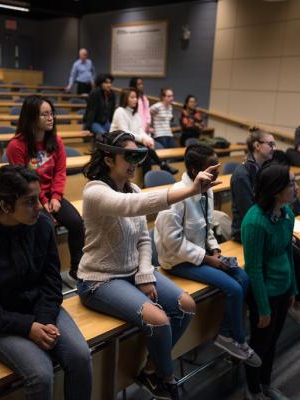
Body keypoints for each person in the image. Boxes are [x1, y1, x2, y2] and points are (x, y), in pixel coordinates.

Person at [77, 130, 220, 400]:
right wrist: (188, 190)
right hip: (100, 279)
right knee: (159, 319)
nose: (134, 163)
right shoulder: (95, 191)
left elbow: (144, 238)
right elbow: (130, 206)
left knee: (186, 306)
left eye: (137, 157)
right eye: (128, 157)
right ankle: (166, 377)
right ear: (108, 159)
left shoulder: (134, 188)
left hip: (132, 272)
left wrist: (145, 274)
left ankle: (151, 368)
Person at [0, 165, 92, 400]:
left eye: (39, 198)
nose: (39, 207)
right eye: (30, 202)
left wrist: (44, 320)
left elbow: (51, 282)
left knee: (80, 357)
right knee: (40, 374)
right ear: (6, 206)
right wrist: (27, 328)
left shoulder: (41, 224)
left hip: (40, 309)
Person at [154, 144, 261, 368]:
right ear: (195, 171)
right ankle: (236, 340)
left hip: (201, 256)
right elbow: (174, 245)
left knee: (243, 278)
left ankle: (225, 333)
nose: (218, 172)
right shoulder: (176, 197)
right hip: (178, 262)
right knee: (233, 287)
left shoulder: (208, 191)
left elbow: (207, 228)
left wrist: (216, 251)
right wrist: (209, 259)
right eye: (212, 168)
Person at [231, 129, 300, 334]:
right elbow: (249, 213)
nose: (274, 148)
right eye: (270, 144)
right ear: (256, 145)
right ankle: (294, 306)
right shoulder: (242, 174)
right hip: (247, 229)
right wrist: (276, 227)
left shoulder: (267, 168)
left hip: (269, 220)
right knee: (296, 255)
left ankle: (297, 304)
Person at [6, 95, 84, 281]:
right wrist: (41, 202)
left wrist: (56, 197)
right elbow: (23, 182)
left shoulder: (56, 141)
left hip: (52, 195)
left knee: (76, 222)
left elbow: (60, 172)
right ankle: (48, 275)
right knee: (45, 227)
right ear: (31, 117)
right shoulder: (16, 146)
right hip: (29, 199)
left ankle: (77, 268)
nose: (50, 118)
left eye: (52, 114)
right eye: (44, 114)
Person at [242, 162, 298, 400]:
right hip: (264, 293)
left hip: (283, 289)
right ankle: (252, 391)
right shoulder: (255, 221)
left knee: (273, 341)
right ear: (276, 191)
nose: (296, 187)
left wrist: (294, 289)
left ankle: (266, 384)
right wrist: (263, 307)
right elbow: (253, 269)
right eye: (292, 184)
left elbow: (288, 254)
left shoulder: (287, 214)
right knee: (259, 345)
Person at [110, 87, 178, 175]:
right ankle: (162, 164)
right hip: (118, 143)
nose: (135, 100)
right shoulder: (120, 111)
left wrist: (148, 139)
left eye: (136, 97)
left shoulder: (136, 113)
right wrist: (143, 140)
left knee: (146, 154)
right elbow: (125, 132)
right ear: (125, 98)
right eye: (132, 97)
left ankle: (152, 175)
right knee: (145, 150)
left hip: (130, 142)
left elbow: (140, 131)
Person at [83, 73, 116, 137]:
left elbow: (112, 111)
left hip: (105, 122)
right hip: (94, 122)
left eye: (110, 83)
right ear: (100, 83)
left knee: (115, 135)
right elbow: (91, 111)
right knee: (105, 136)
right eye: (106, 83)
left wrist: (112, 124)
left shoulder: (112, 94)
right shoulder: (94, 93)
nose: (109, 85)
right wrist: (87, 128)